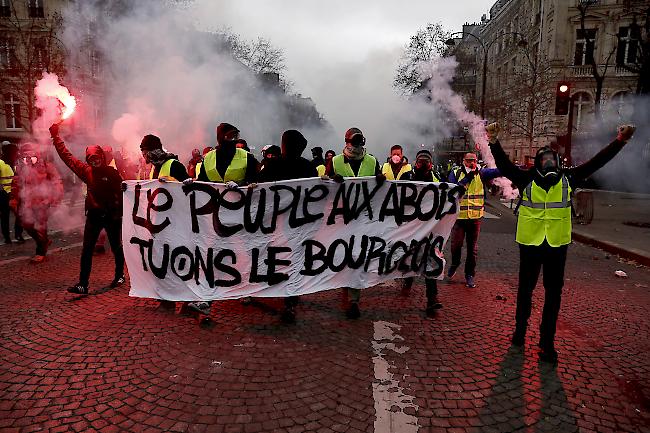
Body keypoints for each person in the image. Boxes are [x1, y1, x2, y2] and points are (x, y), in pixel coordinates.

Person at [487, 122, 636, 363]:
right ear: (538, 162)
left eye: (551, 160)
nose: (548, 164)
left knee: (553, 294)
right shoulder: (527, 178)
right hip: (531, 244)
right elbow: (504, 165)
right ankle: (520, 332)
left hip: (556, 244)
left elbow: (598, 161)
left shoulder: (569, 178)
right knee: (525, 290)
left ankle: (547, 342)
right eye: (544, 160)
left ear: (558, 162)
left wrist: (620, 141)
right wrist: (493, 141)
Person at [50, 123, 125, 294]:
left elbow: (123, 193)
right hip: (94, 217)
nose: (95, 161)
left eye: (97, 158)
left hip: (112, 217)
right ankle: (83, 283)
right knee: (87, 249)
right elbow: (67, 157)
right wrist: (56, 138)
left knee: (116, 246)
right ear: (88, 160)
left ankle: (120, 275)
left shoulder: (112, 173)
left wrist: (119, 213)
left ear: (102, 157)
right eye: (91, 159)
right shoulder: (86, 171)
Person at [192, 123, 259, 315]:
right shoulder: (209, 158)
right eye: (230, 136)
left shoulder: (246, 157)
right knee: (211, 254)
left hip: (240, 214)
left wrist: (242, 184)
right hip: (216, 213)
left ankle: (246, 289)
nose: (234, 139)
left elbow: (258, 181)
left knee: (243, 253)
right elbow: (203, 181)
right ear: (220, 137)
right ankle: (207, 299)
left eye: (236, 135)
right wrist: (187, 185)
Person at [258, 130, 318, 323]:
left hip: (278, 223)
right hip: (297, 223)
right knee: (293, 260)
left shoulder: (273, 165)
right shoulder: (307, 166)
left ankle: (283, 294)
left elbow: (258, 185)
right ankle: (290, 298)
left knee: (277, 257)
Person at [326, 127, 384, 319]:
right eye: (354, 141)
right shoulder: (334, 161)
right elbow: (321, 184)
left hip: (363, 218)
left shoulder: (372, 161)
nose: (356, 145)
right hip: (341, 218)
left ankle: (353, 300)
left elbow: (381, 187)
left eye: (359, 141)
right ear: (346, 142)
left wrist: (381, 181)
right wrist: (330, 180)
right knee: (342, 255)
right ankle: (345, 283)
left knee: (357, 257)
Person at [140, 134, 189, 310]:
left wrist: (173, 182)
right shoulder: (154, 168)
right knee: (163, 262)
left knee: (180, 261)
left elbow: (188, 190)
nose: (143, 156)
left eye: (145, 152)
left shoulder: (174, 165)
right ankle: (167, 298)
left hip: (177, 222)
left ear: (153, 151)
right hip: (161, 224)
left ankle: (186, 299)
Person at [447, 152, 501, 288]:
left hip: (475, 218)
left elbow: (497, 171)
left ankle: (470, 275)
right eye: (469, 160)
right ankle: (455, 263)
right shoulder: (455, 173)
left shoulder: (481, 173)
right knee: (456, 245)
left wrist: (506, 164)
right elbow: (453, 189)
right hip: (459, 217)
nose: (472, 163)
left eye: (474, 160)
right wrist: (468, 178)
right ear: (464, 161)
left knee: (472, 249)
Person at [400, 149, 443, 316]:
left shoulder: (437, 178)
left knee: (430, 260)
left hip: (429, 227)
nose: (423, 165)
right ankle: (407, 280)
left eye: (426, 162)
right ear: (415, 163)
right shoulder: (406, 177)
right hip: (410, 226)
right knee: (409, 256)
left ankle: (432, 299)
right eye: (420, 162)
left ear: (431, 164)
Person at [9, 143, 63, 263]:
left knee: (40, 226)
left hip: (42, 201)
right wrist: (13, 198)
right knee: (26, 224)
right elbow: (17, 183)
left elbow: (57, 182)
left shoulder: (46, 166)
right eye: (24, 153)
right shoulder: (20, 167)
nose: (27, 156)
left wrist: (55, 199)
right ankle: (43, 241)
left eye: (30, 152)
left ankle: (41, 252)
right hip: (27, 201)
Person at [0, 152, 14, 245]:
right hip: (10, 192)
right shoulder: (9, 163)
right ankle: (14, 236)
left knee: (4, 216)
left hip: (3, 193)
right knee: (6, 216)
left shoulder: (1, 163)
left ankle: (7, 237)